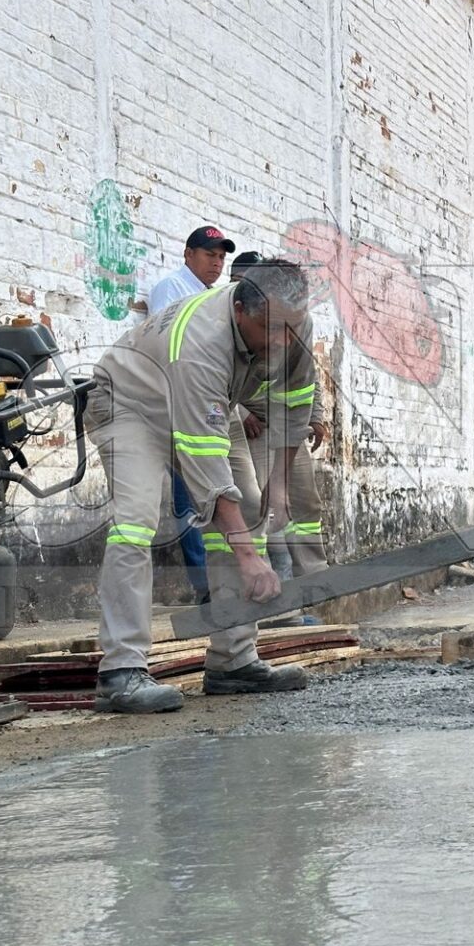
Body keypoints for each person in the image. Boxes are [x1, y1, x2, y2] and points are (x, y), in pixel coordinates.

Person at [86, 259, 317, 712]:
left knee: (248, 507)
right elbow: (205, 462)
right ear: (239, 311)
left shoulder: (292, 322)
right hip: (129, 403)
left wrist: (280, 489)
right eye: (268, 330)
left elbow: (294, 406)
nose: (280, 342)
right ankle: (121, 671)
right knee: (137, 521)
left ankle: (233, 662)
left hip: (210, 402)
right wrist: (248, 557)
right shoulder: (199, 342)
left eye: (289, 329)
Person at [227, 250, 332, 594]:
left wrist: (313, 416)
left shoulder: (291, 321)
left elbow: (305, 376)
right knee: (260, 505)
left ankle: (315, 585)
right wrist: (241, 414)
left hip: (285, 426)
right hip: (253, 426)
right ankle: (272, 590)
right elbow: (219, 384)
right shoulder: (228, 326)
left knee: (303, 502)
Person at [147, 225, 238, 605]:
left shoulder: (211, 296)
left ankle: (218, 583)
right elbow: (171, 345)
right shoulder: (172, 289)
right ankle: (205, 586)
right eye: (208, 255)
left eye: (221, 257)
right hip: (175, 401)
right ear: (188, 254)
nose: (216, 263)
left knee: (213, 492)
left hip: (205, 404)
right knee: (189, 498)